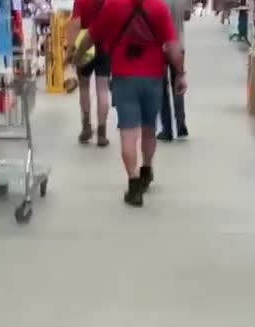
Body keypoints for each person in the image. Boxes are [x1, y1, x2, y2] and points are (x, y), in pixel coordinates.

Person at [73, 0, 187, 207]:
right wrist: (180, 74)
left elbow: (90, 36)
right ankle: (147, 168)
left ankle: (133, 182)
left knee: (128, 133)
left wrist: (78, 55)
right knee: (149, 128)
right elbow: (172, 46)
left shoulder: (113, 5)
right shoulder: (158, 7)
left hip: (124, 76)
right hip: (153, 77)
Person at [67, 0, 110, 146]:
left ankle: (86, 127)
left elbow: (75, 24)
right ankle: (102, 133)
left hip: (85, 47)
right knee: (103, 90)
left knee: (84, 88)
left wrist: (70, 49)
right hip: (105, 45)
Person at [157, 0, 192, 142]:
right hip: (178, 45)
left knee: (161, 88)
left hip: (161, 47)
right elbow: (187, 16)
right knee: (178, 84)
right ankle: (181, 125)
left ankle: (167, 129)